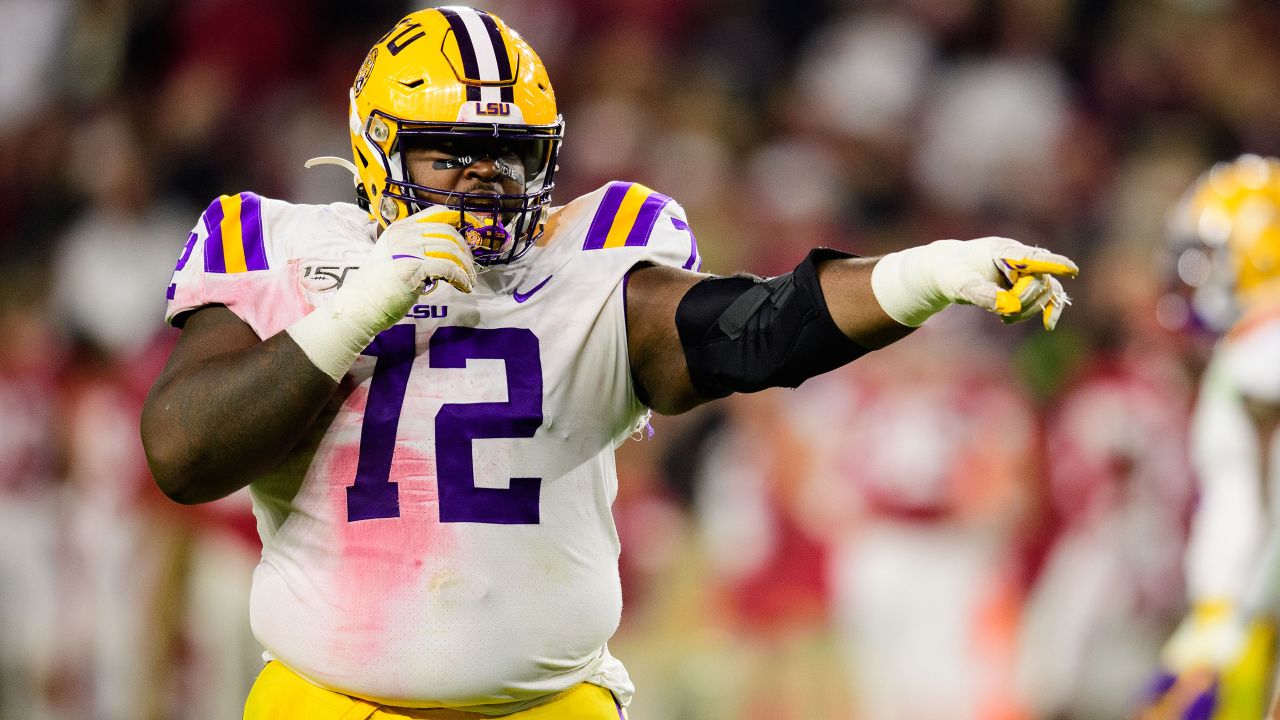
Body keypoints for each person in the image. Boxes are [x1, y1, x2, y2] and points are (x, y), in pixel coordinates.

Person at [138, 7, 1078, 719]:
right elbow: (184, 454)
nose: (482, 185)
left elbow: (752, 330)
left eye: (507, 159)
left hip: (548, 709)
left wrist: (927, 273)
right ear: (379, 149)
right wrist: (356, 311)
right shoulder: (282, 246)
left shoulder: (589, 260)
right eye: (450, 158)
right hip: (326, 702)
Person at [1139, 154, 1280, 720]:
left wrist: (1223, 624)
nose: (1193, 275)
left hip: (1243, 619)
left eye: (1208, 256)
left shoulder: (1259, 351)